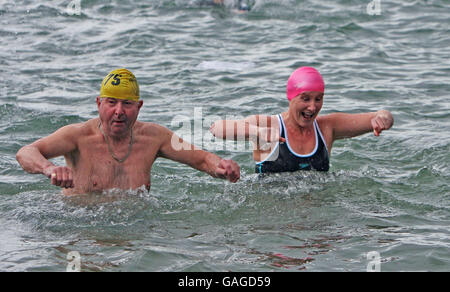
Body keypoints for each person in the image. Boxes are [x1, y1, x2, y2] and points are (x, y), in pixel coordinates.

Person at [16, 68, 240, 195]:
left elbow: (201, 159)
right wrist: (50, 169)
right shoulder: (77, 137)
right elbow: (26, 152)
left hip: (135, 235)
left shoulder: (154, 137)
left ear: (139, 107)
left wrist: (222, 167)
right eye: (111, 102)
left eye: (127, 104)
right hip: (83, 228)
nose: (119, 111)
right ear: (98, 103)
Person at [209, 66, 394, 173]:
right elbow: (217, 128)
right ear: (291, 97)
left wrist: (383, 118)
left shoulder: (327, 127)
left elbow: (378, 116)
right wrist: (258, 132)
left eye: (318, 99)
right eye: (305, 99)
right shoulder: (269, 125)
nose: (312, 107)